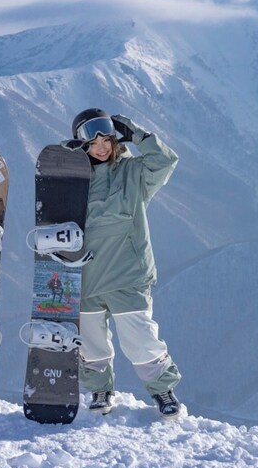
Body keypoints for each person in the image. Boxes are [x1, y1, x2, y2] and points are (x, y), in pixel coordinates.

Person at [71, 108, 183, 419]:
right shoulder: (74, 179)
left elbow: (165, 162)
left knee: (140, 339)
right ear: (82, 145)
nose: (101, 147)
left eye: (106, 139)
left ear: (115, 140)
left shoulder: (133, 172)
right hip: (86, 272)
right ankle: (100, 390)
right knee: (91, 341)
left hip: (128, 271)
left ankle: (163, 390)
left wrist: (138, 135)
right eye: (93, 142)